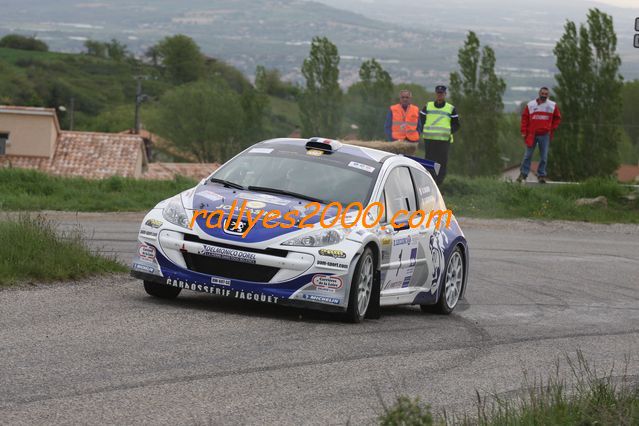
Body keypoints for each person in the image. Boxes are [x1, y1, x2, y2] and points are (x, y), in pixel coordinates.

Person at [517, 87, 561, 184]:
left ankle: (541, 175)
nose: (544, 95)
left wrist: (551, 128)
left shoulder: (552, 105)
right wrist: (523, 131)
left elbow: (557, 118)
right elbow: (524, 118)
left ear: (548, 95)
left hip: (545, 134)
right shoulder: (531, 105)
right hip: (532, 134)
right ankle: (523, 174)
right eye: (542, 93)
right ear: (539, 93)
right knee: (527, 155)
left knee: (544, 156)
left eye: (546, 94)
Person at [417, 85, 459, 185]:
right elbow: (421, 119)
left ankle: (439, 183)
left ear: (445, 94)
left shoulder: (450, 108)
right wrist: (423, 129)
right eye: (438, 93)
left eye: (442, 93)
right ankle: (428, 181)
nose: (440, 95)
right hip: (429, 140)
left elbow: (456, 124)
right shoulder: (428, 106)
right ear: (436, 94)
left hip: (444, 141)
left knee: (442, 163)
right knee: (429, 161)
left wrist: (449, 132)